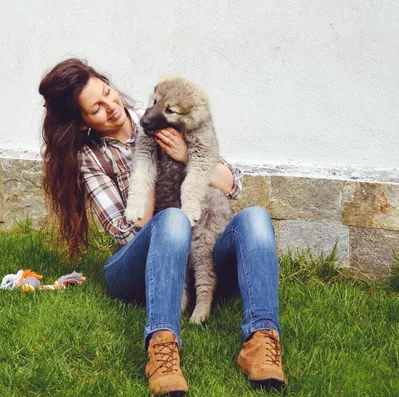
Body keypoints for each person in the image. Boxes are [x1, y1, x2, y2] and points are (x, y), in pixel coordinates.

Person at [39, 58, 285, 396]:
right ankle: (162, 347)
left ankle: (262, 341)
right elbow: (126, 233)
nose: (112, 107)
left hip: (198, 247)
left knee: (256, 216)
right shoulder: (90, 157)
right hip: (135, 265)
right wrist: (152, 159)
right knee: (171, 220)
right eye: (96, 108)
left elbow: (233, 185)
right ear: (82, 124)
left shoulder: (161, 111)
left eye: (108, 93)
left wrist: (185, 155)